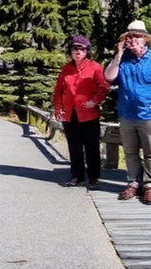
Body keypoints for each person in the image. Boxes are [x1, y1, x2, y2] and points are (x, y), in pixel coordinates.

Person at [104, 20, 151, 205]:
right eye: (130, 37)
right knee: (130, 152)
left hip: (149, 114)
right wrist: (118, 54)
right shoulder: (123, 58)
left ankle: (150, 186)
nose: (133, 40)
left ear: (145, 39)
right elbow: (109, 77)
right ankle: (133, 183)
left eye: (137, 36)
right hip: (127, 113)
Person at [52, 35, 110, 190]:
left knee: (91, 146)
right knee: (74, 146)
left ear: (87, 51)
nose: (77, 52)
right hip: (70, 113)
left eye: (81, 49)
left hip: (88, 113)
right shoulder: (66, 69)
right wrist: (58, 108)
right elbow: (58, 91)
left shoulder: (95, 67)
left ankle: (93, 177)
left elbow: (104, 88)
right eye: (74, 48)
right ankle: (77, 175)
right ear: (70, 51)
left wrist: (94, 101)